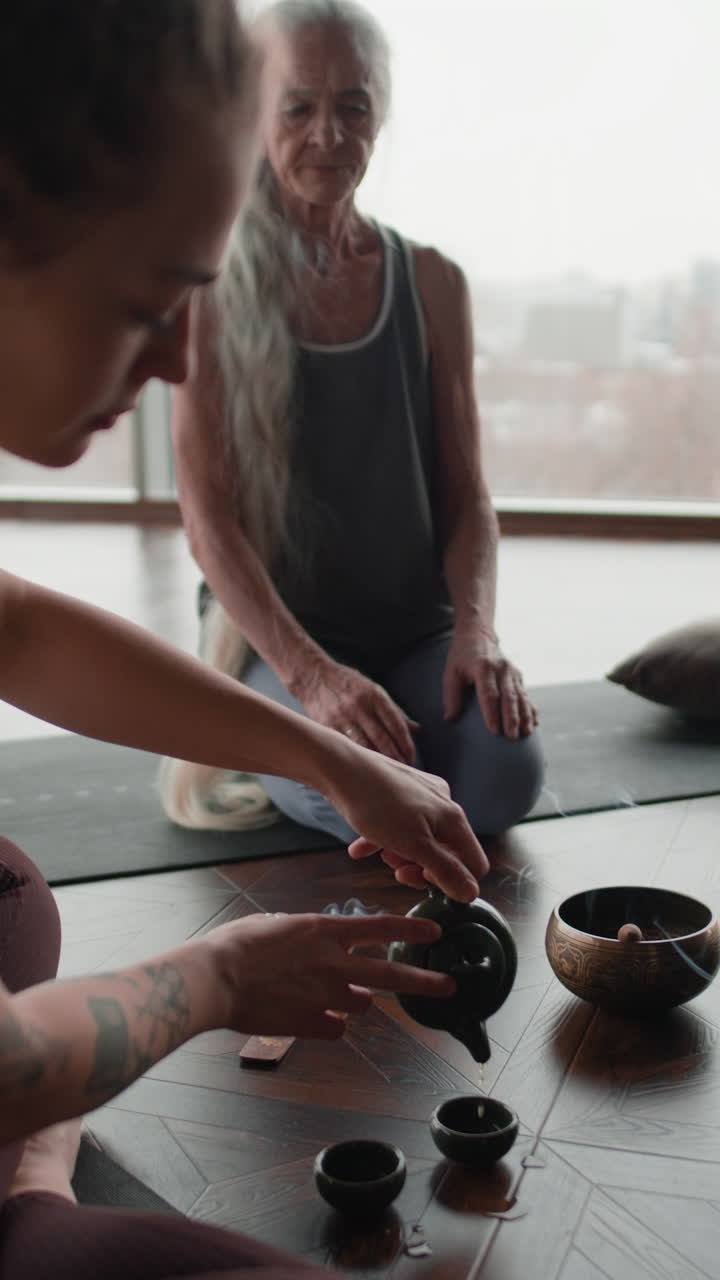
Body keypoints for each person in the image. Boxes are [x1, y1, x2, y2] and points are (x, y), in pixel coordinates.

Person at [0, 3, 489, 1277]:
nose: (175, 360)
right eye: (151, 298)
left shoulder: (424, 278)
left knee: (12, 893)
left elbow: (20, 628)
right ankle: (30, 1205)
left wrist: (341, 762)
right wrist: (212, 978)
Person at [162, 0, 545, 847]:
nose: (329, 133)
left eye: (354, 105)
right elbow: (207, 522)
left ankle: (392, 793)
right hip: (280, 638)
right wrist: (313, 679)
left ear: (382, 115)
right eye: (299, 107)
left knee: (503, 778)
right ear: (255, 114)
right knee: (356, 791)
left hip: (416, 627)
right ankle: (309, 748)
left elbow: (467, 497)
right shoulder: (208, 285)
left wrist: (476, 632)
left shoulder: (433, 280)